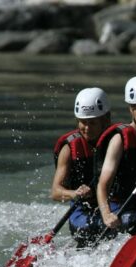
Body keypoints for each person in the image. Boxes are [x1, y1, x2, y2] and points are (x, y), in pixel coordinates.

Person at [95, 75, 136, 237]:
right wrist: (106, 215)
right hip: (121, 208)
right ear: (130, 109)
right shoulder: (119, 140)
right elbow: (103, 185)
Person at [50, 87, 111, 246]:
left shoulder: (115, 140)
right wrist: (75, 193)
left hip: (111, 205)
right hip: (83, 210)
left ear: (105, 120)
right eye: (83, 122)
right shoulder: (69, 149)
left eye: (93, 123)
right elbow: (55, 192)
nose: (87, 128)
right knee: (89, 228)